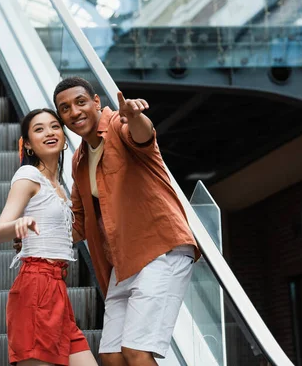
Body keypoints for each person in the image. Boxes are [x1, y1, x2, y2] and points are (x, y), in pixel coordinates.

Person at [54, 77, 201, 366]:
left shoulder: (118, 126)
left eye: (80, 102)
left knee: (136, 352)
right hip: (121, 263)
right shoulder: (79, 159)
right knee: (111, 356)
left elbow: (142, 136)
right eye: (65, 108)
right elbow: (79, 223)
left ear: (96, 102)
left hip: (159, 250)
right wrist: (35, 235)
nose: (74, 112)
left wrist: (135, 116)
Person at [0, 108, 98, 366]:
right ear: (27, 144)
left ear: (63, 135)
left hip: (58, 288)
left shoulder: (60, 185)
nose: (49, 132)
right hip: (35, 287)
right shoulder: (28, 177)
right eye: (39, 129)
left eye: (54, 126)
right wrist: (21, 223)